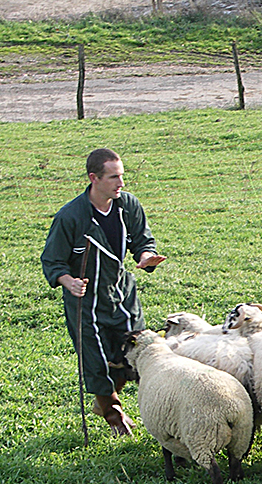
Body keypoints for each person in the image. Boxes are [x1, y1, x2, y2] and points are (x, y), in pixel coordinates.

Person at [41, 147, 166, 436]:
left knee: (132, 351)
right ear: (94, 178)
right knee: (95, 358)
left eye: (122, 176)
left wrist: (146, 256)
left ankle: (105, 400)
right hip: (85, 300)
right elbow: (52, 260)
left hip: (121, 292)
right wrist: (67, 280)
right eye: (114, 178)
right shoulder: (71, 217)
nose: (121, 184)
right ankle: (114, 415)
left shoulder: (128, 205)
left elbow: (142, 240)